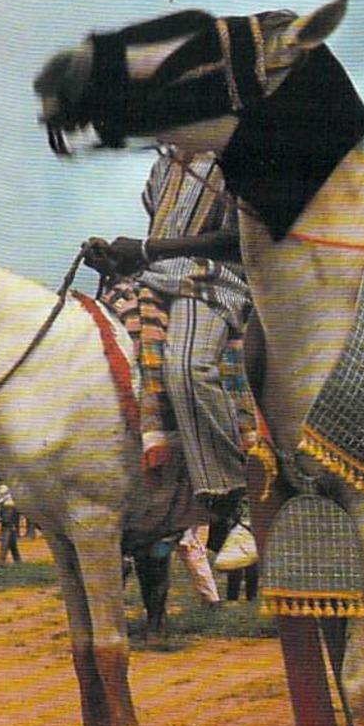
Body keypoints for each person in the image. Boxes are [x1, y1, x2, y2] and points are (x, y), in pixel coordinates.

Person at [87, 149, 258, 572]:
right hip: (156, 278)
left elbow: (238, 239)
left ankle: (239, 509)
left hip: (213, 281)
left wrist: (147, 248)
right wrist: (117, 258)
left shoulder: (235, 156)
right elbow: (155, 241)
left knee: (187, 368)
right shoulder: (164, 165)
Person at [0, 483, 22, 565]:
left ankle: (2, 561)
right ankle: (17, 560)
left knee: (7, 530)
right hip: (7, 504)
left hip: (8, 507)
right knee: (11, 537)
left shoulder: (8, 500)